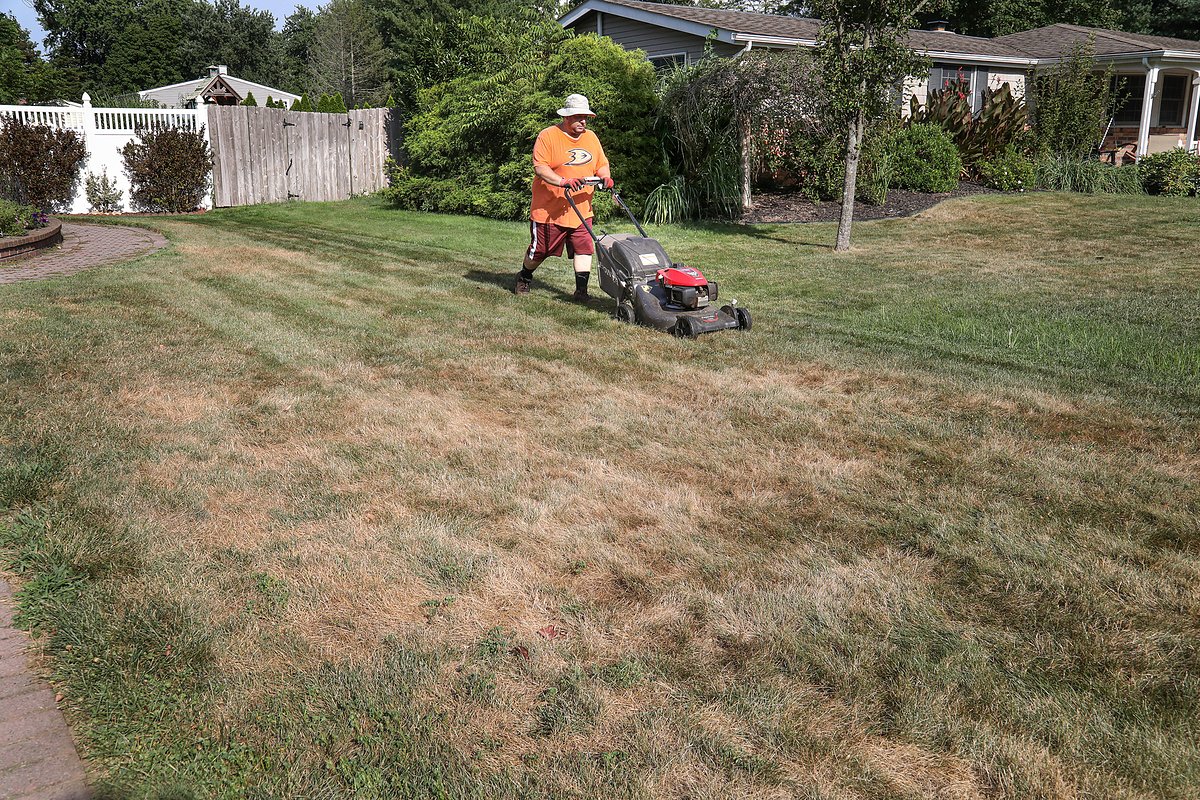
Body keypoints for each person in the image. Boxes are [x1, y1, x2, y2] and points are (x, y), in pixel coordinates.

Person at [515, 93, 614, 299]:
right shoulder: (548, 136)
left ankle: (581, 291)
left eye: (585, 117)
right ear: (566, 117)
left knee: (584, 248)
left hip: (581, 208)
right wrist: (562, 182)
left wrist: (605, 177)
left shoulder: (591, 137)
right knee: (540, 250)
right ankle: (524, 277)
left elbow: (601, 163)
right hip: (549, 209)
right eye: (578, 117)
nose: (583, 121)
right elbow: (540, 168)